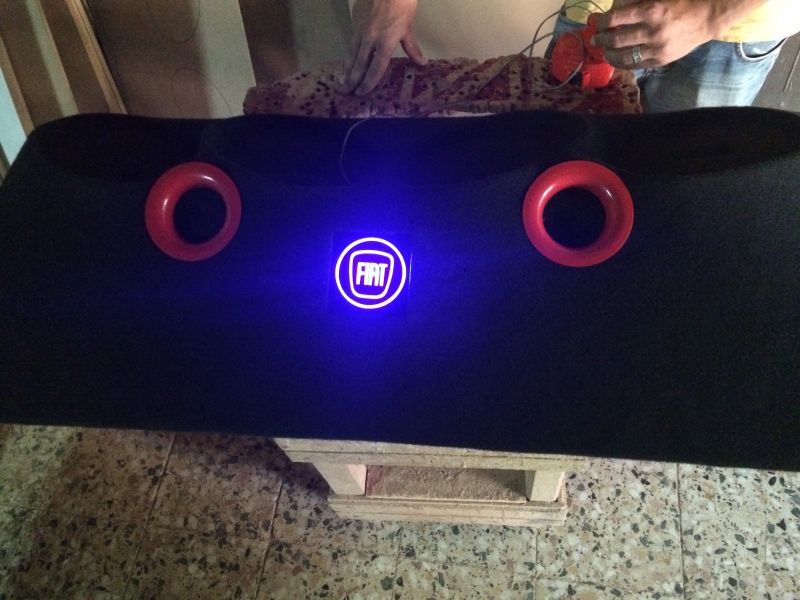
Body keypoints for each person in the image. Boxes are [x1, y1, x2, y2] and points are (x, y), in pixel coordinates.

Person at [343, 0, 800, 112]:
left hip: (731, 31)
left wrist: (711, 12)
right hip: (595, 12)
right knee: (559, 152)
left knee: (678, 178)